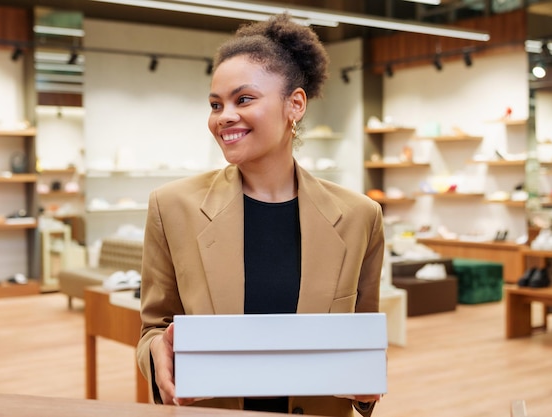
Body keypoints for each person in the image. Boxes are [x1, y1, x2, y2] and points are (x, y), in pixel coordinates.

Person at [136, 12, 385, 417]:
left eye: (243, 99)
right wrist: (155, 356)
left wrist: (365, 386)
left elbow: (362, 339)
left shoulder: (360, 217)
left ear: (295, 104)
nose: (224, 117)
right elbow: (154, 328)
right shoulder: (172, 206)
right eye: (216, 104)